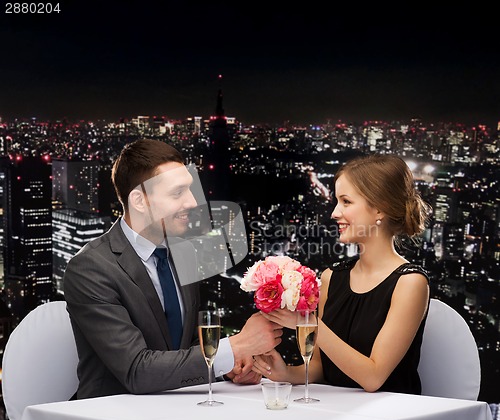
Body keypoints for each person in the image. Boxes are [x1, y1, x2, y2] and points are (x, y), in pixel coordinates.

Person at [63, 138, 282, 399]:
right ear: (139, 201)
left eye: (190, 190)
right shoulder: (91, 268)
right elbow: (136, 371)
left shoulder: (183, 252)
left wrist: (226, 368)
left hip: (174, 411)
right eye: (177, 193)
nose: (192, 202)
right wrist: (237, 346)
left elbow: (182, 346)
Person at [253, 154, 432, 394]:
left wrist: (308, 323)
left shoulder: (410, 283)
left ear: (380, 208)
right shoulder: (331, 277)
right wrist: (284, 372)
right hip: (337, 412)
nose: (335, 213)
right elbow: (318, 368)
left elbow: (373, 378)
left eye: (346, 202)